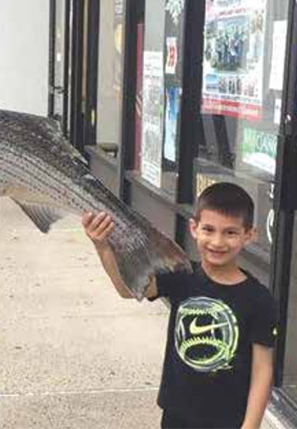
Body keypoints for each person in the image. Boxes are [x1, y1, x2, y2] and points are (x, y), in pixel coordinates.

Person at [82, 182, 277, 429]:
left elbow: (262, 370)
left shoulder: (259, 299)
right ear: (194, 228)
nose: (217, 241)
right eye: (209, 229)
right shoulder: (181, 275)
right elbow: (127, 290)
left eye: (230, 232)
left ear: (249, 235)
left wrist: (250, 426)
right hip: (176, 414)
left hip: (228, 420)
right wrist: (103, 246)